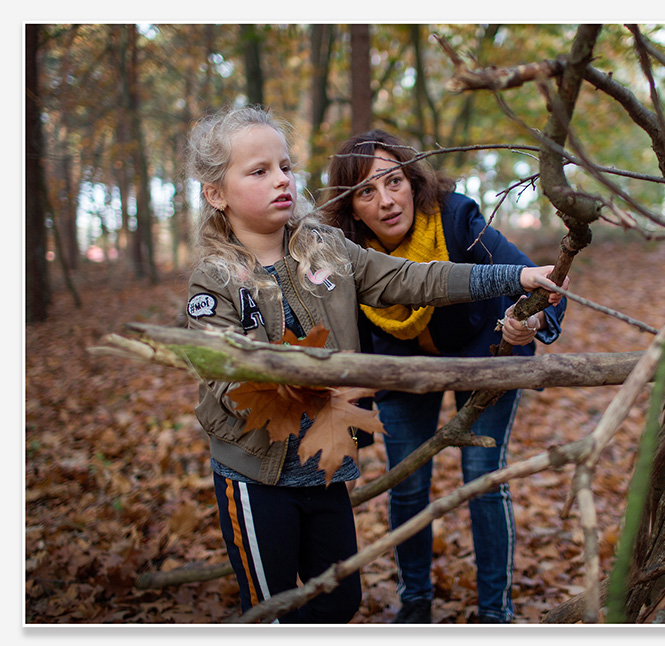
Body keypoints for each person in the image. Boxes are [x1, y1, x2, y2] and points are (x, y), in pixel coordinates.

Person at [182, 106, 563, 624]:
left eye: (285, 167)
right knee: (271, 611)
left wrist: (512, 280)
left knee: (338, 601)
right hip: (256, 474)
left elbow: (415, 279)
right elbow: (227, 375)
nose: (281, 181)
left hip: (325, 468)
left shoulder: (327, 250)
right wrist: (308, 380)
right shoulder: (215, 280)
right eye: (259, 171)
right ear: (216, 193)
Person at [321, 129, 568, 624]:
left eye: (393, 181)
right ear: (351, 208)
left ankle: (494, 613)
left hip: (485, 354)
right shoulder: (345, 252)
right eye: (367, 192)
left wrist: (530, 321)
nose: (386, 201)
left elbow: (533, 278)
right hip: (402, 366)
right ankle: (415, 604)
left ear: (413, 179)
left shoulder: (458, 217)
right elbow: (343, 334)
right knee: (408, 484)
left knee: (482, 478)